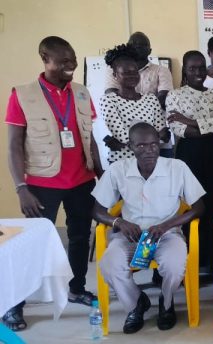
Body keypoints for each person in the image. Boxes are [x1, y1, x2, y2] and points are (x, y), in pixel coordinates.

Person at [4, 36, 102, 332]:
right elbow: (13, 147)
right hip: (41, 184)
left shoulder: (82, 92)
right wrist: (21, 188)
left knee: (80, 237)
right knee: (29, 246)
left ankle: (76, 287)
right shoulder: (22, 95)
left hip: (81, 180)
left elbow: (89, 137)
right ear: (45, 58)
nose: (71, 66)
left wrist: (100, 173)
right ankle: (14, 305)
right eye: (63, 62)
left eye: (72, 60)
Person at [92, 123, 205, 333]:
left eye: (153, 144)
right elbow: (97, 210)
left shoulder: (177, 168)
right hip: (130, 237)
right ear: (131, 146)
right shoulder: (118, 170)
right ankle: (135, 304)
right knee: (109, 264)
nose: (149, 150)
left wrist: (167, 225)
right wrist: (119, 223)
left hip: (167, 234)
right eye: (141, 146)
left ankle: (167, 303)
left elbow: (199, 208)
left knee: (174, 265)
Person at [166, 50, 213, 275]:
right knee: (192, 203)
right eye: (192, 68)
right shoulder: (174, 95)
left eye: (201, 67)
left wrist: (190, 120)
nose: (198, 72)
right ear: (185, 69)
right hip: (189, 155)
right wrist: (204, 125)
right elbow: (179, 129)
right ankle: (194, 259)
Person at [104, 32, 174, 157]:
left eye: (134, 72)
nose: (131, 76)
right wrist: (153, 137)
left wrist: (132, 141)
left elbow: (162, 100)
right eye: (125, 73)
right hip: (124, 157)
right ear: (116, 74)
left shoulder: (159, 76)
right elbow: (113, 94)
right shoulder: (109, 99)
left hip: (154, 154)